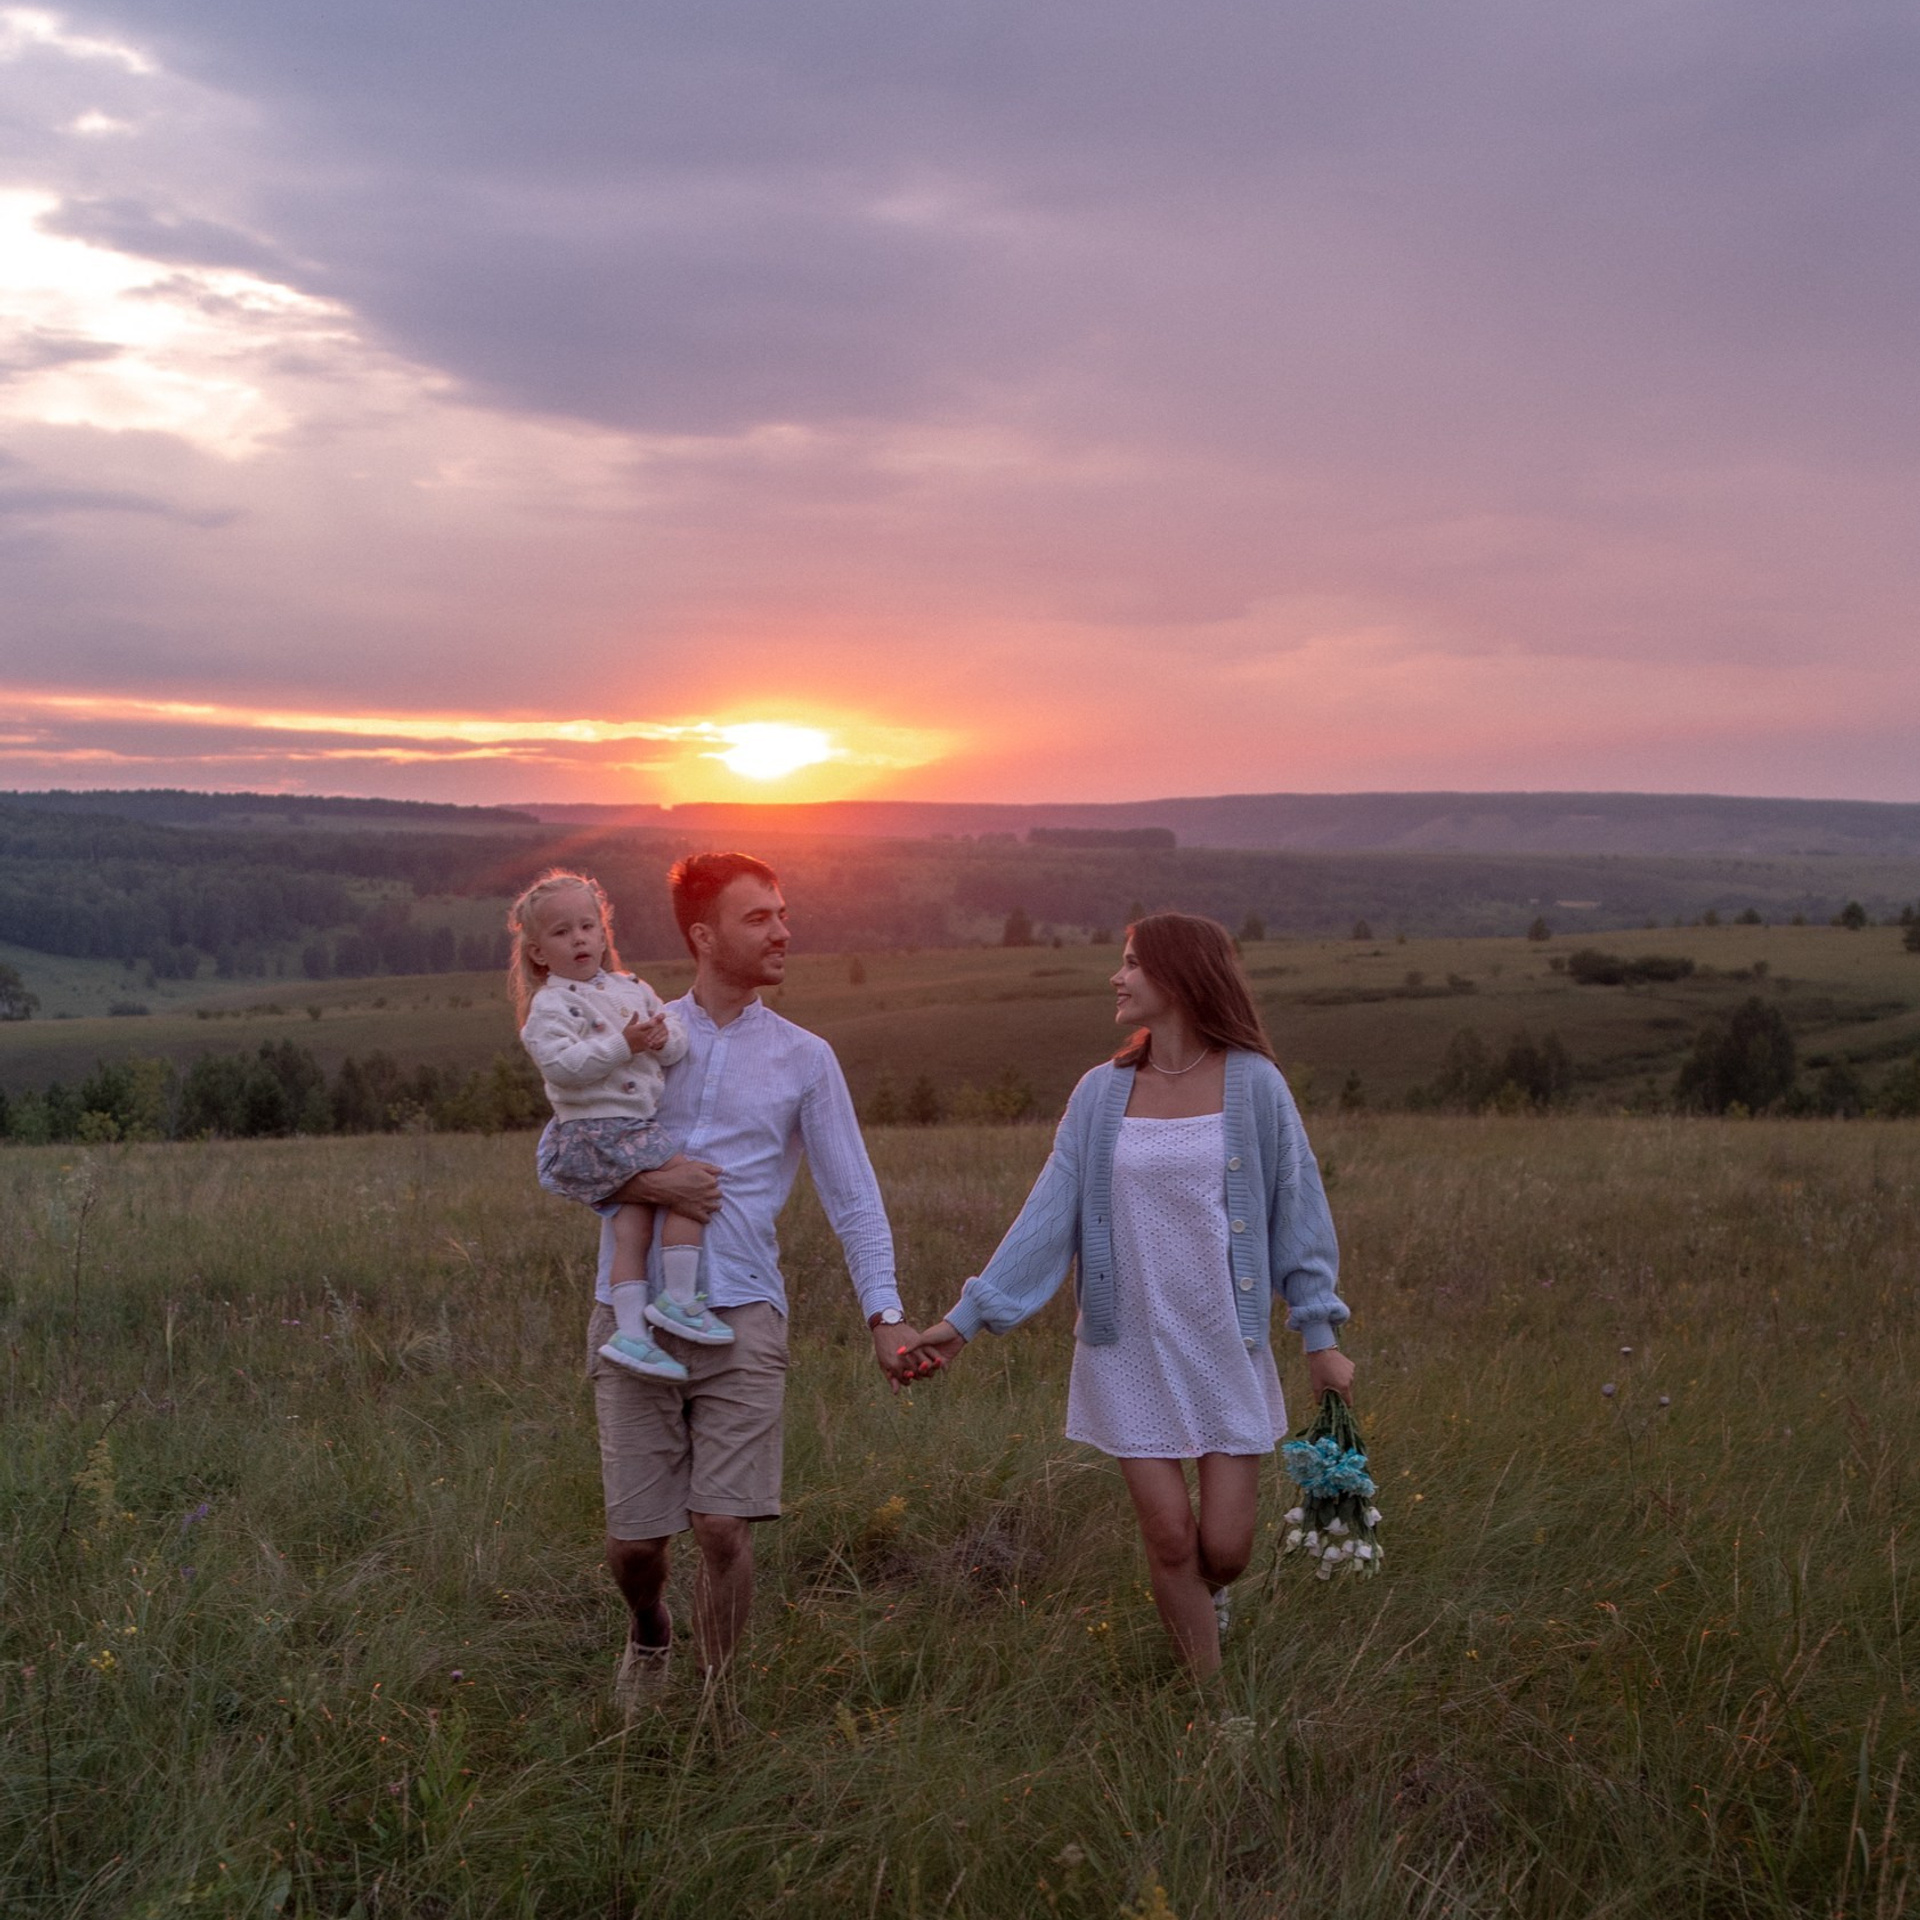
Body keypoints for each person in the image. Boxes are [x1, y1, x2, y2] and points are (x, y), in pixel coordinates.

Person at [907, 912, 1354, 1680]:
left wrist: (1319, 1334)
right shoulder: (1100, 1093)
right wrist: (967, 1318)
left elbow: (1297, 1205)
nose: (1116, 978)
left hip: (1223, 1342)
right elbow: (1049, 1214)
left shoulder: (1255, 1084)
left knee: (1226, 1549)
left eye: (1130, 964)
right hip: (1127, 1348)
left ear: (1179, 977)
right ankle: (1212, 1708)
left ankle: (1211, 1601)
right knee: (1172, 1539)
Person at [585, 851, 923, 1712]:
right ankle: (650, 1627)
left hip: (743, 1310)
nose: (782, 931)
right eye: (758, 917)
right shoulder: (638, 1036)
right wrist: (656, 1185)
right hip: (630, 1317)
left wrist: (885, 1314)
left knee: (723, 1527)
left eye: (782, 913)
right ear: (702, 935)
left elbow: (854, 1197)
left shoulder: (806, 1059)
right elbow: (570, 1161)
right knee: (636, 1543)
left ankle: (715, 1704)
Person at [512, 869, 732, 1387]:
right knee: (691, 1188)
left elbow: (675, 1038)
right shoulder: (549, 1006)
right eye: (562, 932)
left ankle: (632, 1333)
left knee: (630, 1229)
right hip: (598, 1130)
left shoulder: (631, 986)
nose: (580, 939)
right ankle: (678, 1300)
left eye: (588, 926)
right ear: (539, 952)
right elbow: (562, 1067)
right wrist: (625, 1046)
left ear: (603, 931)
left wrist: (659, 1039)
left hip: (630, 1125)